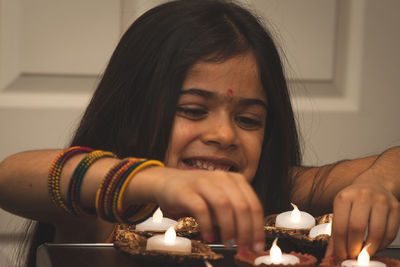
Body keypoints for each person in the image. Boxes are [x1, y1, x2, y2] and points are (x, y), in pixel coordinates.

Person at [0, 0, 399, 266]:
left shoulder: (269, 193)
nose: (225, 134)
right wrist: (158, 181)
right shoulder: (103, 213)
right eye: (193, 110)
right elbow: (12, 177)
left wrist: (377, 183)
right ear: (135, 113)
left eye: (248, 120)